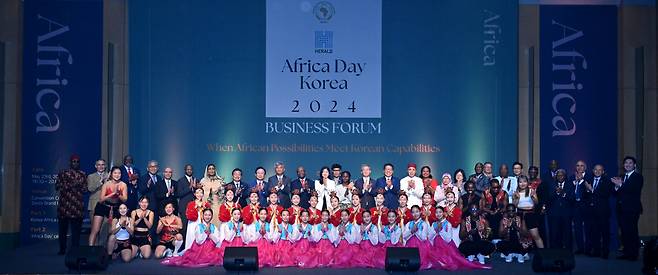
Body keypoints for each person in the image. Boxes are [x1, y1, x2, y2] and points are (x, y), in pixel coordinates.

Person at [612, 156, 644, 261]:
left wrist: (620, 184)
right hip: (621, 209)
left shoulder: (637, 177)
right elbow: (616, 193)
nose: (628, 164)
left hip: (632, 209)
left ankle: (633, 254)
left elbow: (631, 190)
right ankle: (626, 252)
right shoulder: (622, 176)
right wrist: (616, 187)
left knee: (632, 231)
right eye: (626, 163)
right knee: (624, 231)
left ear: (634, 165)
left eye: (630, 163)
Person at [88, 166, 128, 246]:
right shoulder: (106, 184)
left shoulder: (123, 185)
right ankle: (90, 249)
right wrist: (112, 194)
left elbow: (125, 199)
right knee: (95, 230)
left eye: (119, 173)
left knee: (112, 230)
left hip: (115, 208)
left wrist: (118, 195)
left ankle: (110, 250)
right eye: (115, 173)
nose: (117, 175)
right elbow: (101, 199)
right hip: (102, 206)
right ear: (111, 174)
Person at [56, 154, 87, 255]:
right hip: (64, 206)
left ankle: (75, 250)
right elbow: (57, 186)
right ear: (70, 162)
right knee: (62, 230)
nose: (76, 163)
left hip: (77, 207)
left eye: (77, 162)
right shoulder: (63, 173)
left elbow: (85, 189)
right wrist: (72, 185)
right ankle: (62, 249)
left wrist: (78, 186)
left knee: (76, 231)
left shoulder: (82, 174)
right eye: (74, 161)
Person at [587, 164, 612, 258]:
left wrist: (591, 190)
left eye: (600, 170)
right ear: (593, 171)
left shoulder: (607, 181)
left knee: (605, 232)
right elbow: (586, 195)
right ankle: (596, 251)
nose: (597, 171)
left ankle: (605, 252)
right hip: (592, 211)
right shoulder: (589, 180)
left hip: (603, 211)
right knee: (594, 232)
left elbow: (605, 194)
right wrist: (588, 191)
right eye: (596, 170)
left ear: (603, 171)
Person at [513, 175, 544, 249]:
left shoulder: (531, 191)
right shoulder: (516, 193)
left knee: (535, 235)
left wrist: (533, 197)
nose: (522, 184)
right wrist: (517, 198)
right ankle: (522, 254)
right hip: (520, 214)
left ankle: (543, 254)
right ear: (518, 183)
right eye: (520, 182)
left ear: (527, 182)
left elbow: (536, 203)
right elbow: (515, 205)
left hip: (530, 214)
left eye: (524, 181)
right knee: (520, 235)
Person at [546, 169, 574, 249]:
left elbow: (572, 199)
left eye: (562, 175)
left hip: (566, 214)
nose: (560, 177)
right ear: (556, 177)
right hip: (554, 214)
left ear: (565, 176)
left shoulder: (570, 184)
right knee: (554, 234)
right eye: (558, 175)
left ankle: (568, 252)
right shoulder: (551, 185)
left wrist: (563, 193)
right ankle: (554, 252)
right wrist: (556, 193)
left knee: (567, 234)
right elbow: (548, 199)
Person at [569, 160, 592, 254]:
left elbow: (590, 193)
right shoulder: (571, 177)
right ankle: (580, 248)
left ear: (585, 168)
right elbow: (570, 192)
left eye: (582, 166)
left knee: (588, 228)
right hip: (575, 207)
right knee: (577, 228)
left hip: (586, 207)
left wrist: (582, 180)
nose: (579, 167)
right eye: (577, 165)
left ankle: (588, 248)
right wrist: (575, 183)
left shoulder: (589, 177)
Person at [403, 205, 432, 269]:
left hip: (421, 246)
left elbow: (424, 238)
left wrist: (416, 231)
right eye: (413, 212)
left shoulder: (424, 224)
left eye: (417, 212)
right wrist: (411, 231)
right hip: (410, 245)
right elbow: (404, 236)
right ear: (411, 214)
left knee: (419, 261)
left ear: (420, 212)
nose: (415, 214)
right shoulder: (408, 223)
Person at [182, 188, 211, 253]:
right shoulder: (191, 204)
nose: (199, 194)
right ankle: (191, 251)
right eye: (197, 193)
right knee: (193, 235)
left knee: (202, 236)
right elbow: (189, 216)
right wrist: (195, 208)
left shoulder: (206, 204)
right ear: (194, 194)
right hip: (193, 223)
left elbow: (209, 215)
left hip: (203, 222)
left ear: (203, 194)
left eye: (201, 193)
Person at [176, 164, 197, 250]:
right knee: (184, 227)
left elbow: (199, 194)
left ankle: (193, 246)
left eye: (191, 169)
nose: (189, 171)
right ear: (185, 170)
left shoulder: (196, 180)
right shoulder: (180, 181)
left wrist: (195, 188)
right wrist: (189, 187)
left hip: (194, 208)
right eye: (187, 169)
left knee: (193, 228)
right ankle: (184, 247)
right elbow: (179, 194)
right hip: (184, 207)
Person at [200, 163, 224, 228]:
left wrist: (219, 192)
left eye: (213, 169)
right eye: (209, 169)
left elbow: (222, 194)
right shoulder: (203, 181)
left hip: (217, 204)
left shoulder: (219, 181)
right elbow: (201, 193)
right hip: (207, 203)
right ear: (207, 171)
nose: (211, 170)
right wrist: (209, 193)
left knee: (217, 218)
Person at [87, 159, 108, 223]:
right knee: (94, 229)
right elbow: (90, 189)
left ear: (105, 166)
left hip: (106, 204)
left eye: (102, 165)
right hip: (94, 204)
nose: (101, 167)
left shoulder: (109, 176)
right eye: (99, 165)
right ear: (95, 166)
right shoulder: (91, 176)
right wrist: (100, 182)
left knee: (105, 229)